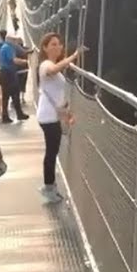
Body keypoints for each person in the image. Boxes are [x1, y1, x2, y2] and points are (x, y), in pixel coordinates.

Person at [35, 32, 83, 204]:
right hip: (48, 117)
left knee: (52, 151)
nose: (57, 47)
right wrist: (74, 56)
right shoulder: (45, 64)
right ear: (45, 48)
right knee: (51, 152)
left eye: (59, 44)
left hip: (52, 114)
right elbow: (54, 70)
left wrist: (67, 114)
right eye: (52, 44)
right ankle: (49, 188)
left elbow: (57, 95)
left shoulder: (51, 63)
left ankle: (50, 186)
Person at [0, 34, 29, 123]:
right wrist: (24, 62)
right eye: (14, 40)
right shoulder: (8, 48)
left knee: (6, 96)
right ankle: (17, 114)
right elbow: (14, 60)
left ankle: (7, 116)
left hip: (5, 73)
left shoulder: (4, 47)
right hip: (9, 73)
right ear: (10, 40)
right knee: (15, 93)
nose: (16, 42)